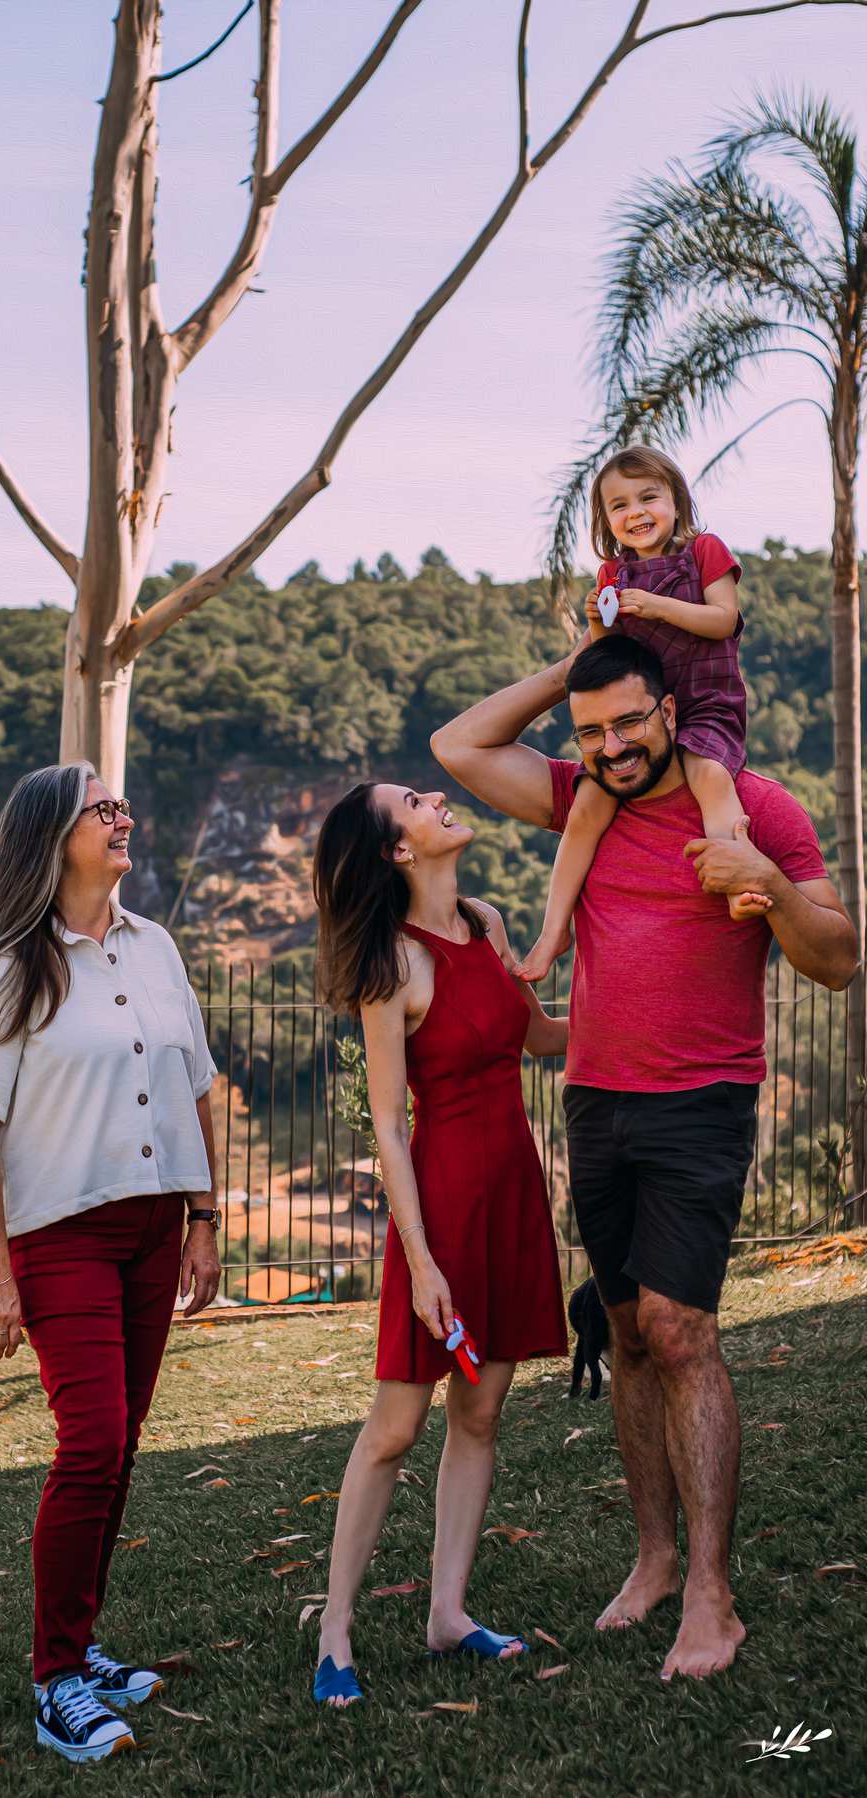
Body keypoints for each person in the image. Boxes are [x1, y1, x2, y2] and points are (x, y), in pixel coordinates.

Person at [432, 633, 857, 1681]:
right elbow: (461, 744)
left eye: (629, 720)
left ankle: (713, 1594)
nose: (613, 746)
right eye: (591, 731)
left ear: (674, 709)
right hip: (597, 1102)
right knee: (624, 1331)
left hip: (702, 1101)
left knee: (680, 1329)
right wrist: (575, 667)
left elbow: (839, 960)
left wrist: (765, 879)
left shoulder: (755, 806)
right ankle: (657, 1560)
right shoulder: (584, 797)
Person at [0, 763, 222, 1763]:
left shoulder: (155, 946)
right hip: (59, 1236)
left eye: (123, 804)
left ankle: (82, 1642)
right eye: (105, 808)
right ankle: (57, 1677)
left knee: (124, 1440)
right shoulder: (3, 969)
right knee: (92, 1442)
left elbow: (198, 1083)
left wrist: (205, 1215)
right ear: (55, 834)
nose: (125, 816)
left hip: (153, 1229)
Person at [308, 780, 569, 1707]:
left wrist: (632, 1013)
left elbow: (534, 1037)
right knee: (396, 1428)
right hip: (444, 1205)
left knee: (482, 1412)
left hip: (514, 1192)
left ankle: (447, 1612)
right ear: (397, 850)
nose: (439, 800)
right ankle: (335, 1626)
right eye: (415, 801)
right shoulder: (392, 963)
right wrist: (422, 1261)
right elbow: (386, 1125)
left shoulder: (486, 922)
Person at [516, 446, 767, 986]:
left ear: (676, 500)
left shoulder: (704, 551)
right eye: (619, 505)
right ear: (606, 522)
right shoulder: (613, 572)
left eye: (649, 496)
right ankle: (554, 929)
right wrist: (600, 624)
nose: (636, 512)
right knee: (586, 805)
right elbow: (611, 661)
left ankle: (740, 877)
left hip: (703, 704)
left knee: (710, 776)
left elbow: (723, 620)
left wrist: (655, 606)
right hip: (641, 721)